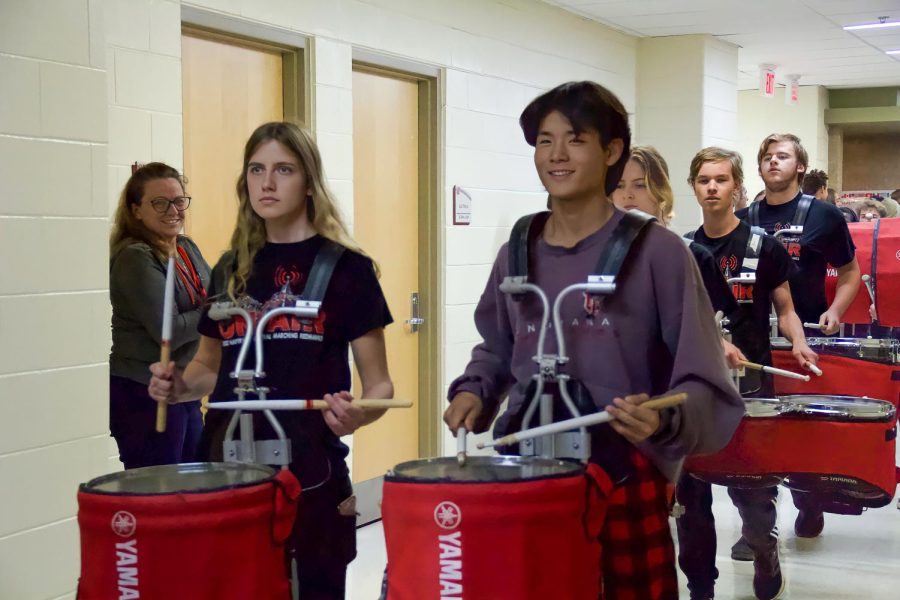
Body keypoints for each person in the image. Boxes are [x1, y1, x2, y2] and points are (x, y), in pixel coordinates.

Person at [443, 81, 744, 599]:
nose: (556, 155)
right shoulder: (519, 247)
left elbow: (703, 379)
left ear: (611, 151)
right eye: (544, 140)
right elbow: (495, 347)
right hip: (526, 465)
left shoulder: (660, 252)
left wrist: (662, 416)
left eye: (575, 139)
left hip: (624, 472)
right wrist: (474, 390)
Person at [148, 122, 394, 599]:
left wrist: (360, 414)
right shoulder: (229, 267)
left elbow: (380, 385)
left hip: (311, 473)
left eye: (284, 169)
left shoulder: (347, 269)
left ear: (308, 182)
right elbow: (207, 367)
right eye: (257, 169)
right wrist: (178, 386)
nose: (267, 182)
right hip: (226, 468)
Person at [677, 147, 818, 600]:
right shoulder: (682, 250)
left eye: (721, 179)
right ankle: (701, 584)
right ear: (694, 187)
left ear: (737, 186)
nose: (713, 187)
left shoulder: (764, 247)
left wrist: (797, 341)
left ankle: (764, 548)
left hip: (753, 383)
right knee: (693, 491)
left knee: (753, 492)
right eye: (704, 180)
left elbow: (787, 308)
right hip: (697, 386)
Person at [736, 133, 861, 539]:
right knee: (757, 433)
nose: (774, 162)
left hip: (808, 337)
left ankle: (809, 500)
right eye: (767, 156)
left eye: (783, 156)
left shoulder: (826, 216)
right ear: (759, 168)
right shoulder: (744, 219)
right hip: (756, 344)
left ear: (800, 167)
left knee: (803, 430)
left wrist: (835, 310)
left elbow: (850, 273)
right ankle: (759, 526)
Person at [109, 162, 210, 469]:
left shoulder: (186, 246)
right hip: (143, 393)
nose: (174, 210)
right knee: (160, 494)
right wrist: (216, 312)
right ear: (136, 210)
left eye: (179, 201)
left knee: (194, 486)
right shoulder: (135, 257)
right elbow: (172, 331)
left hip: (183, 388)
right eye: (159, 202)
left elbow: (216, 297)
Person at [610, 145, 741, 354]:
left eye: (640, 185)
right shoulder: (598, 257)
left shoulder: (693, 256)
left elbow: (725, 324)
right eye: (618, 185)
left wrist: (714, 341)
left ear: (660, 190)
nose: (628, 195)